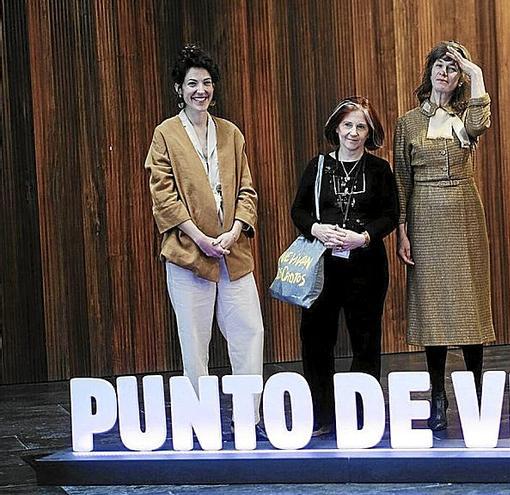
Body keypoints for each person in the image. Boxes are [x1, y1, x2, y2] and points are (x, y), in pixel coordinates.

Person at [144, 44, 265, 432]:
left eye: (207, 83)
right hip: (188, 254)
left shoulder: (230, 133)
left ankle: (252, 417)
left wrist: (233, 232)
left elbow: (248, 190)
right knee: (194, 344)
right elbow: (163, 196)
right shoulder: (165, 134)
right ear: (178, 88)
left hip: (233, 253)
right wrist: (199, 237)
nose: (201, 90)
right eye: (192, 83)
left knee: (250, 332)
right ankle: (200, 421)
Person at [394, 41, 495, 431]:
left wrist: (477, 74)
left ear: (460, 78)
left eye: (453, 68)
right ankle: (438, 395)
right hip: (426, 216)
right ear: (429, 71)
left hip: (465, 214)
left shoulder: (465, 115)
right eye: (440, 65)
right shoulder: (409, 122)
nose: (444, 72)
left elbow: (480, 123)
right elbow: (402, 179)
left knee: (469, 305)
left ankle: (478, 395)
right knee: (433, 310)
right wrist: (403, 232)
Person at [291, 96, 399, 437]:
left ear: (370, 132)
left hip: (366, 267)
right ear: (336, 128)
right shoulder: (318, 165)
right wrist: (316, 228)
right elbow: (299, 210)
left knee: (365, 340)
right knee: (316, 339)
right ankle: (321, 414)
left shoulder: (379, 169)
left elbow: (391, 215)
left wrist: (364, 237)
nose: (353, 132)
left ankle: (359, 414)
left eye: (361, 126)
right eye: (348, 125)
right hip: (322, 267)